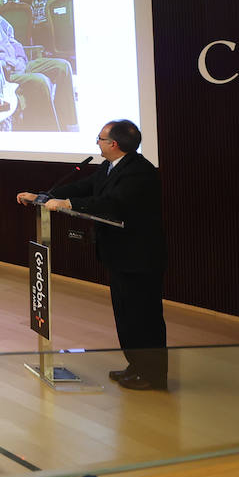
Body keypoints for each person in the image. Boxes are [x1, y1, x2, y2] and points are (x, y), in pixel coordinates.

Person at [18, 119, 167, 390]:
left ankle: (152, 375)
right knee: (125, 316)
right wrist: (43, 196)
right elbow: (83, 187)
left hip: (139, 257)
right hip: (119, 255)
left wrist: (67, 204)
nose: (96, 143)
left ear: (114, 144)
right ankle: (136, 366)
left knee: (143, 317)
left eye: (99, 138)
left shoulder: (139, 172)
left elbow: (113, 204)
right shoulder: (110, 167)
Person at [0, 0, 76, 131]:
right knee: (41, 80)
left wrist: (21, 59)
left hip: (19, 63)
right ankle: (50, 130)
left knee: (63, 66)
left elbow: (15, 43)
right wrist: (11, 63)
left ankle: (65, 119)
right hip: (5, 72)